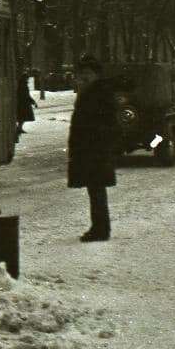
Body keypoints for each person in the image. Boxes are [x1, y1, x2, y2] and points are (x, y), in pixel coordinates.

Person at [67, 54, 117, 242]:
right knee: (95, 190)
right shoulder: (91, 92)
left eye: (88, 73)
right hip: (92, 150)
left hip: (96, 150)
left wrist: (97, 142)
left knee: (96, 190)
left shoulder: (99, 93)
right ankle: (99, 228)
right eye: (82, 73)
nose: (84, 76)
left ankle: (100, 230)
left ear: (96, 74)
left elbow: (107, 122)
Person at [16, 71, 36, 136]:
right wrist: (32, 101)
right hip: (23, 103)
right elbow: (26, 95)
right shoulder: (23, 85)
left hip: (22, 103)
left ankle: (19, 128)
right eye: (27, 78)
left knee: (21, 117)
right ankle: (19, 128)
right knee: (22, 117)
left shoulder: (21, 84)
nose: (27, 79)